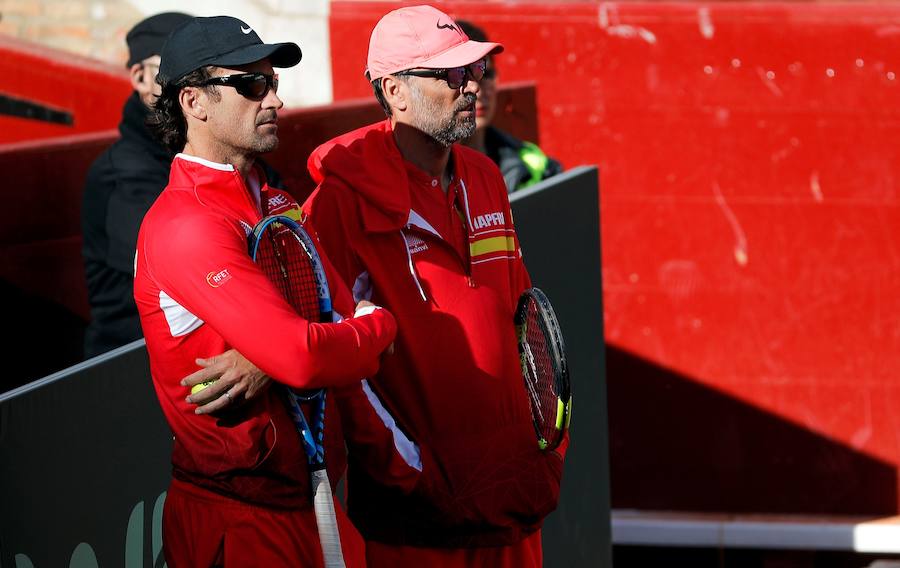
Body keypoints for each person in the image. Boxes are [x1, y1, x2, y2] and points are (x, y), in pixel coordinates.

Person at [302, 6, 567, 567]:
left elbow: (524, 323)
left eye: (474, 71)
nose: (472, 85)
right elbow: (335, 349)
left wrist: (544, 448)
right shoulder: (339, 202)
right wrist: (407, 468)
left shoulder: (486, 176)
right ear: (394, 90)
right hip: (418, 525)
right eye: (450, 75)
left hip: (514, 502)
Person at [134, 16, 396, 567]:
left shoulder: (275, 201)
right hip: (238, 520)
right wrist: (374, 326)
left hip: (311, 500)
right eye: (252, 84)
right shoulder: (186, 222)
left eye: (273, 82)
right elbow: (306, 354)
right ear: (194, 102)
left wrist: (279, 354)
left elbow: (325, 330)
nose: (274, 99)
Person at [81, 12, 191, 358]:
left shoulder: (227, 152)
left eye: (205, 74)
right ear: (141, 77)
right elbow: (186, 276)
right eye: (177, 71)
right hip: (129, 365)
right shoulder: (119, 177)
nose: (193, 88)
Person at [455, 19, 562, 193]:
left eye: (486, 74)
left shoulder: (533, 163)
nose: (477, 91)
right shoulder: (427, 174)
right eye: (461, 76)